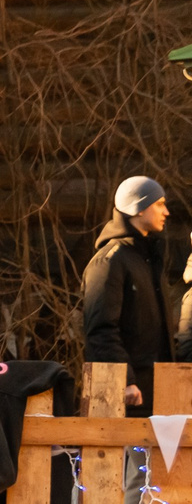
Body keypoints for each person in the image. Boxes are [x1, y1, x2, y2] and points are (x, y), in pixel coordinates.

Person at [82, 176, 171, 415]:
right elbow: (101, 329)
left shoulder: (149, 261)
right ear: (138, 208)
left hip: (157, 391)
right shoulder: (109, 261)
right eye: (159, 204)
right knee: (125, 453)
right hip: (126, 395)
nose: (167, 212)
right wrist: (125, 380)